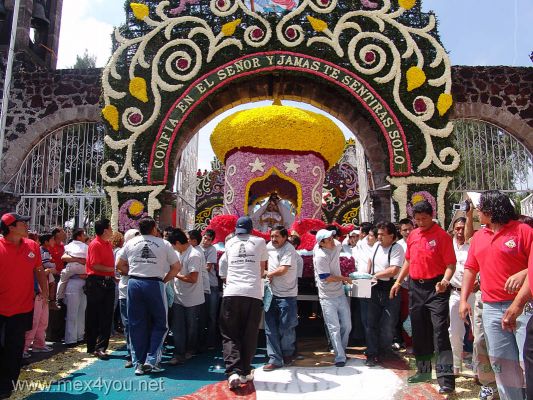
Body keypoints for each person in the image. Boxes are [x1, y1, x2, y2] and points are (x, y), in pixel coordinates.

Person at [459, 190, 533, 400]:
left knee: (526, 362)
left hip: (524, 307)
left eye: (481, 207)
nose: (478, 211)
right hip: (491, 308)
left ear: (492, 210)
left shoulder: (523, 231)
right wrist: (464, 300)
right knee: (502, 363)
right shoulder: (479, 237)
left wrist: (520, 296)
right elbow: (470, 268)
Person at [390, 201, 456, 394]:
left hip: (436, 289)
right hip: (415, 288)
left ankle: (446, 379)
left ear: (431, 215)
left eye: (424, 219)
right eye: (417, 219)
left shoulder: (442, 236)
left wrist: (444, 281)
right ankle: (424, 372)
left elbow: (451, 264)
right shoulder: (413, 235)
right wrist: (397, 282)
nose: (420, 222)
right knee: (419, 332)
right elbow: (408, 261)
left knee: (440, 333)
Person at [117, 218, 180, 375]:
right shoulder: (163, 244)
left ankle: (138, 363)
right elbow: (176, 266)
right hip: (154, 284)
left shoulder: (131, 243)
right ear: (153, 229)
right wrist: (164, 280)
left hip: (134, 283)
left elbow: (119, 264)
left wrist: (132, 271)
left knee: (136, 323)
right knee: (161, 323)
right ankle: (151, 360)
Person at [0, 213, 48, 399]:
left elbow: (38, 270)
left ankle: (7, 385)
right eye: (23, 223)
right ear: (11, 227)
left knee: (14, 348)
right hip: (1, 308)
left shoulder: (32, 246)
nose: (27, 226)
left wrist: (45, 291)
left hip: (22, 308)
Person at [218, 216, 268, 389]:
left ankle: (233, 372)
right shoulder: (260, 242)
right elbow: (261, 270)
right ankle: (245, 371)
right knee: (249, 333)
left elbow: (224, 267)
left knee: (230, 333)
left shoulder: (230, 243)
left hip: (232, 293)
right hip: (253, 293)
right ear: (252, 228)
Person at [364, 222, 404, 367]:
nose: (378, 237)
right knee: (371, 322)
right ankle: (372, 353)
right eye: (378, 234)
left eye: (382, 234)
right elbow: (370, 260)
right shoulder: (376, 246)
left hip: (390, 289)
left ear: (392, 236)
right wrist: (367, 275)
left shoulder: (397, 248)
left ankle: (384, 350)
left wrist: (375, 275)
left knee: (387, 323)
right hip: (374, 287)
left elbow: (394, 270)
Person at [313, 229, 352, 367]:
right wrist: (345, 278)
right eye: (328, 239)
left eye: (331, 237)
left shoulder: (335, 244)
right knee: (334, 327)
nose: (332, 240)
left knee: (347, 325)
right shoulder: (320, 256)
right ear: (322, 243)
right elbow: (326, 277)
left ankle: (341, 349)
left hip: (339, 293)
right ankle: (340, 356)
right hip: (327, 296)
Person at [264, 225, 298, 371]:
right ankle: (275, 359)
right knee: (270, 328)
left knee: (286, 326)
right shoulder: (268, 247)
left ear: (285, 237)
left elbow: (283, 269)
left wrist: (268, 274)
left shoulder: (289, 249)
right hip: (270, 292)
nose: (273, 239)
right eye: (272, 236)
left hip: (287, 294)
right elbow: (262, 262)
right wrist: (265, 272)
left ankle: (287, 353)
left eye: (277, 236)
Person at [168, 229, 205, 365]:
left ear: (177, 242)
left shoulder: (194, 255)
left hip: (192, 298)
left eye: (173, 244)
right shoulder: (178, 253)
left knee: (191, 327)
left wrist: (174, 274)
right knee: (177, 326)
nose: (172, 247)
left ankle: (190, 350)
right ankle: (179, 353)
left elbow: (193, 278)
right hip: (178, 296)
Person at [85, 218, 116, 360]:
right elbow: (95, 265)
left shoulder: (107, 244)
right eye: (110, 228)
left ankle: (101, 346)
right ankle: (92, 345)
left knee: (106, 315)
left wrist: (112, 274)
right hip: (96, 282)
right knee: (94, 315)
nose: (112, 231)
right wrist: (112, 269)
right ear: (105, 230)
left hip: (108, 282)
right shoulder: (95, 244)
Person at [448, 217, 475, 376]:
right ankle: (456, 365)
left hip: (474, 294)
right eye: (457, 228)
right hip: (455, 293)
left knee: (478, 333)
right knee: (455, 332)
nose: (460, 232)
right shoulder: (448, 244)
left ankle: (479, 369)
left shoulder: (472, 245)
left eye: (463, 228)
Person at [60, 228, 89, 347]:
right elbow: (64, 258)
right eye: (83, 234)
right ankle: (71, 338)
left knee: (81, 310)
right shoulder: (69, 246)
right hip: (73, 280)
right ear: (78, 236)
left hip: (83, 280)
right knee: (73, 311)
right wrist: (78, 260)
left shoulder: (85, 247)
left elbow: (89, 261)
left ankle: (79, 335)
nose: (85, 236)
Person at [116, 228, 140, 368]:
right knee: (128, 325)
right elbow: (120, 269)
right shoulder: (122, 251)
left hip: (138, 291)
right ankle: (131, 354)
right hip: (126, 291)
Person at [188, 229, 210, 351]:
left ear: (194, 241)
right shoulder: (196, 250)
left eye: (188, 239)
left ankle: (195, 345)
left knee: (195, 318)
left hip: (199, 289)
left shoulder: (195, 252)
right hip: (200, 288)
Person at [200, 229, 220, 350]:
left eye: (209, 239)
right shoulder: (196, 248)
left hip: (212, 285)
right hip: (201, 286)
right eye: (205, 238)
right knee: (202, 314)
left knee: (212, 315)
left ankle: (211, 341)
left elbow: (208, 267)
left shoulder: (212, 250)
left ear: (212, 241)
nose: (206, 241)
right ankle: (202, 340)